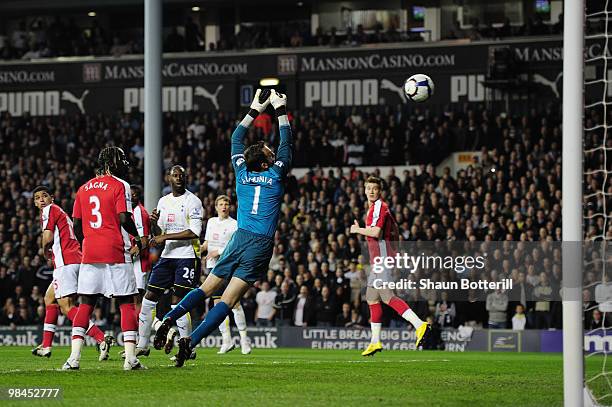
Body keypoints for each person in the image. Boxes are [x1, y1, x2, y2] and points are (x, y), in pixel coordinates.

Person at [154, 88, 292, 367]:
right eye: (269, 151)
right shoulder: (276, 175)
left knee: (206, 288)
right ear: (266, 162)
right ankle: (189, 343)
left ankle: (168, 319)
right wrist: (280, 110)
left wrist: (254, 109)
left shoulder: (242, 173)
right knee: (226, 301)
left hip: (239, 238)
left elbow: (236, 138)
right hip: (260, 244)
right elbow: (287, 143)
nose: (273, 150)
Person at [64, 146, 145, 370]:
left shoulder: (83, 188)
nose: (125, 164)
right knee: (126, 303)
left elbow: (77, 225)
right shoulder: (121, 185)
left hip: (90, 251)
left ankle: (73, 359)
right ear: (112, 163)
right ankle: (130, 359)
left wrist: (88, 241)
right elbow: (123, 218)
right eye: (122, 159)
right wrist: (138, 237)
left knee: (85, 305)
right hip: (116, 250)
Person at [350, 176, 430, 356]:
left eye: (374, 188)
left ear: (380, 191)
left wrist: (357, 230)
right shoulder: (374, 208)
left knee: (387, 297)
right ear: (364, 190)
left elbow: (376, 232)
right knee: (372, 297)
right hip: (379, 260)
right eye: (368, 188)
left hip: (382, 260)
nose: (371, 191)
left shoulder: (379, 206)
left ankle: (420, 325)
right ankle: (375, 341)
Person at [30, 186, 111, 359]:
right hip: (75, 260)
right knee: (49, 298)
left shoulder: (49, 210)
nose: (41, 200)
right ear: (34, 203)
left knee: (67, 308)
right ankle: (46, 346)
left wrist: (45, 252)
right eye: (37, 198)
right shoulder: (60, 211)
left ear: (52, 198)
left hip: (65, 263)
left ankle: (101, 338)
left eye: (44, 196)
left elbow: (48, 237)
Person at [136, 165, 203, 359]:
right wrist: (154, 224)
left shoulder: (193, 201)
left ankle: (188, 347)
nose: (179, 178)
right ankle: (142, 345)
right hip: (167, 256)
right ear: (169, 178)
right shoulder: (163, 202)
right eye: (175, 175)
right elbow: (159, 234)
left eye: (182, 175)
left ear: (186, 178)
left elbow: (194, 232)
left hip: (187, 256)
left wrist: (164, 238)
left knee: (179, 303)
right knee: (148, 298)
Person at [204, 195, 251, 354]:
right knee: (218, 305)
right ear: (216, 207)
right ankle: (227, 340)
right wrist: (200, 248)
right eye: (221, 204)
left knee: (234, 302)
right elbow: (207, 243)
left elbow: (237, 247)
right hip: (212, 267)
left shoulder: (234, 224)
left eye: (226, 204)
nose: (224, 207)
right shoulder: (210, 222)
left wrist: (220, 251)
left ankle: (244, 340)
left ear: (230, 207)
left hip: (229, 266)